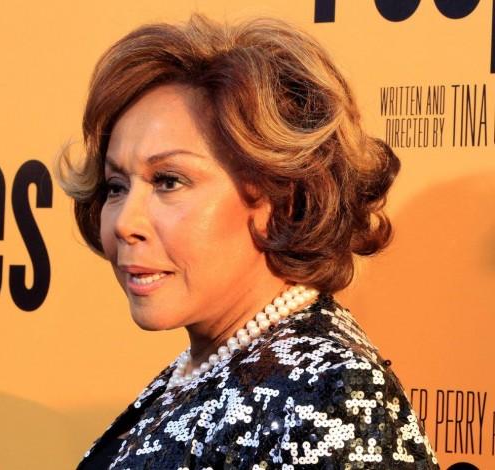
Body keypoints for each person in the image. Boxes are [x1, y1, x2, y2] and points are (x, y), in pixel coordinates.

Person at [59, 13, 439, 469]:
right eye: (116, 186)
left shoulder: (325, 395)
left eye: (169, 181)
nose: (124, 222)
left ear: (282, 196)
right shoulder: (214, 366)